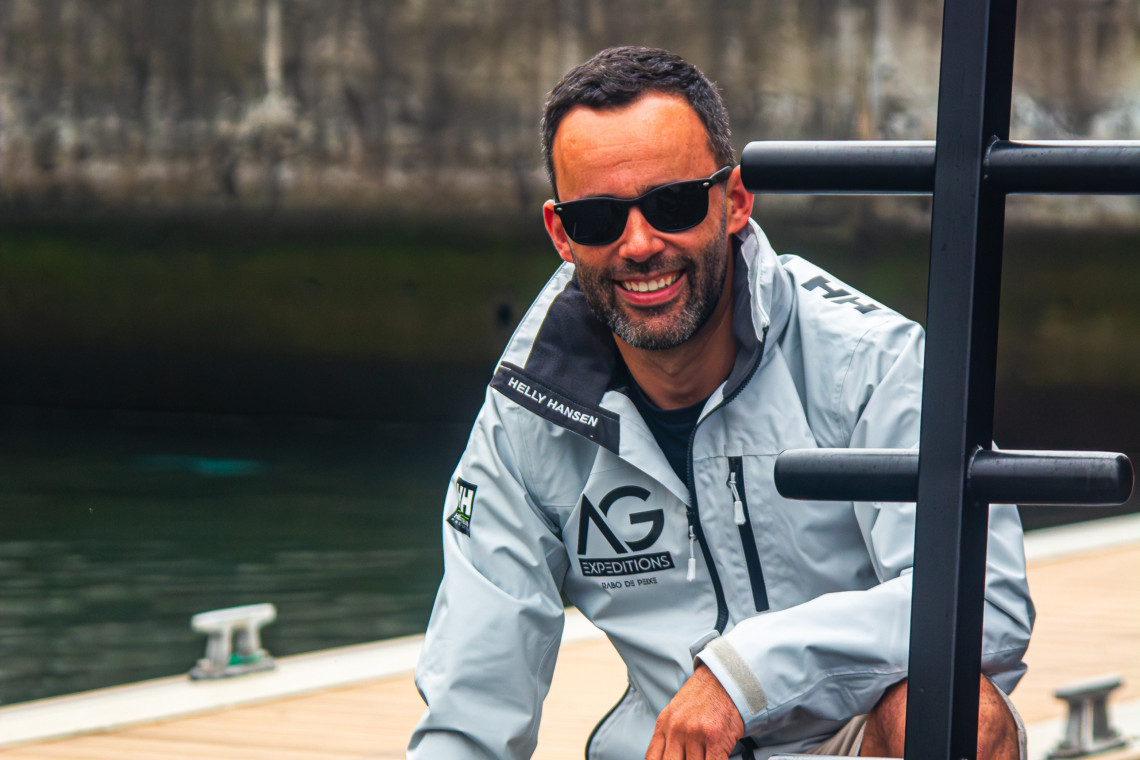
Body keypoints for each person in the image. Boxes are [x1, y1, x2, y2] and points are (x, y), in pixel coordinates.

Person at [408, 46, 1034, 760]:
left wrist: (743, 674)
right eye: (598, 219)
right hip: (665, 752)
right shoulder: (526, 410)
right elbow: (474, 692)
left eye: (672, 204)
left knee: (964, 715)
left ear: (734, 201)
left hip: (854, 742)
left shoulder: (872, 360)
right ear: (560, 233)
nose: (639, 245)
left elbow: (986, 607)